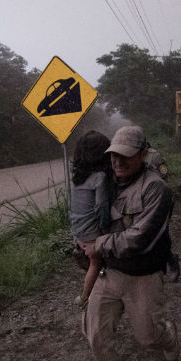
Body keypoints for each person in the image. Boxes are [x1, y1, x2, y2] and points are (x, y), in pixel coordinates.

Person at [80, 126, 179, 361]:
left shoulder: (156, 189)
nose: (118, 161)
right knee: (96, 336)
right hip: (109, 271)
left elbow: (139, 239)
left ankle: (168, 335)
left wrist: (98, 245)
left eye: (126, 155)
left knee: (148, 338)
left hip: (143, 275)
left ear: (143, 154)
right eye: (114, 154)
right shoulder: (105, 183)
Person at [69, 131, 112, 308]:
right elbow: (101, 207)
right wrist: (105, 232)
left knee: (94, 262)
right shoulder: (100, 178)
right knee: (96, 262)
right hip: (91, 232)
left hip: (78, 230)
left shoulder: (78, 178)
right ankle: (85, 297)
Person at [145, 142, 180, 282]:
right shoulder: (127, 155)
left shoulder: (154, 156)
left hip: (159, 199)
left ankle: (171, 261)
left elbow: (163, 174)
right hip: (140, 202)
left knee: (160, 234)